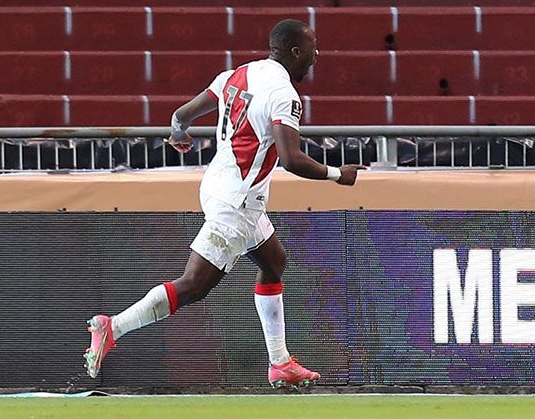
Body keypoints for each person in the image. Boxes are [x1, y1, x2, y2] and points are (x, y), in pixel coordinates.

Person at [83, 19, 364, 389]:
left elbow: (181, 115)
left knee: (274, 261)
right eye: (313, 48)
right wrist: (336, 174)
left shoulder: (236, 74)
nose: (317, 55)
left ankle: (280, 363)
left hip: (217, 184)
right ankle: (113, 326)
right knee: (195, 285)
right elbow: (292, 159)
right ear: (296, 52)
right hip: (239, 200)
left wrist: (178, 133)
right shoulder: (283, 94)